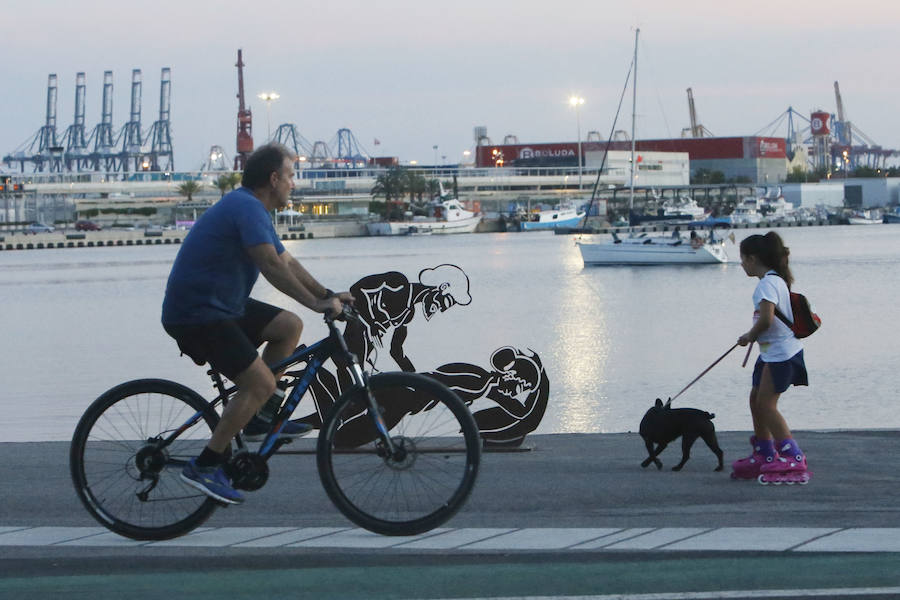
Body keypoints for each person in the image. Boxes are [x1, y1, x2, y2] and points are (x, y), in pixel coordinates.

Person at [161, 143, 353, 504]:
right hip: (196, 313)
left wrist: (328, 294)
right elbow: (271, 266)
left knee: (288, 326)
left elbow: (287, 262)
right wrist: (317, 304)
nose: (294, 185)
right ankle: (205, 464)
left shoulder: (253, 209)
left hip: (221, 307)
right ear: (274, 178)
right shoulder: (246, 207)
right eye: (292, 176)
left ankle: (258, 418)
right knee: (260, 381)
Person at [732, 231, 809, 482]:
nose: (741, 264)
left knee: (766, 405)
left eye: (742, 259)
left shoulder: (767, 284)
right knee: (756, 399)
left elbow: (766, 319)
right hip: (771, 353)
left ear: (752, 259)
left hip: (781, 354)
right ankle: (764, 452)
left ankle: (793, 457)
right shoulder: (774, 280)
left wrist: (749, 336)